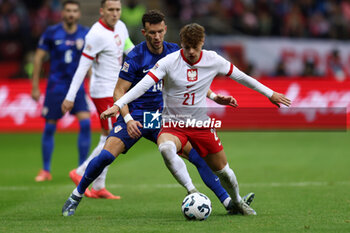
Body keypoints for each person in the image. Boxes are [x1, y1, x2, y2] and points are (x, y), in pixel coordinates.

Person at [61, 10, 254, 217]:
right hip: (134, 116)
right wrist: (127, 119)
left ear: (165, 30)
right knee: (105, 156)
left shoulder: (175, 52)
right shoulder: (135, 55)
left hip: (162, 118)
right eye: (152, 32)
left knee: (198, 156)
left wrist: (214, 96)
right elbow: (119, 91)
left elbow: (191, 81)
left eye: (160, 31)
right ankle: (76, 195)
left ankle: (228, 202)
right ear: (144, 32)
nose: (156, 37)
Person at [101, 23, 292, 215]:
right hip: (173, 125)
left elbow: (242, 77)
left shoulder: (213, 60)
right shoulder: (169, 61)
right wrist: (118, 105)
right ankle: (192, 191)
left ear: (202, 43)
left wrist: (270, 93)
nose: (191, 52)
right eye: (187, 47)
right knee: (166, 148)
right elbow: (142, 86)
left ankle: (236, 202)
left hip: (200, 124)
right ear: (181, 43)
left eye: (195, 47)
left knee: (224, 171)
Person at [61, 0, 135, 199]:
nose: (114, 13)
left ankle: (99, 186)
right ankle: (80, 172)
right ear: (102, 11)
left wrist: (147, 63)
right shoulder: (95, 34)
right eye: (110, 10)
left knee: (108, 136)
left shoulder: (121, 26)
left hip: (116, 90)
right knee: (110, 137)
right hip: (103, 91)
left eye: (117, 9)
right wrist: (70, 96)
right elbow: (83, 67)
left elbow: (130, 50)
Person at [31, 0, 91, 182]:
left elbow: (90, 60)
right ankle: (46, 170)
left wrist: (93, 80)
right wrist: (34, 86)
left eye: (74, 11)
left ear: (79, 14)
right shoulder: (51, 32)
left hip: (77, 86)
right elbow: (38, 58)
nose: (71, 14)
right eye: (68, 10)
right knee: (50, 126)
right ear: (62, 13)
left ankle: (82, 169)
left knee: (86, 124)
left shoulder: (86, 33)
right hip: (56, 86)